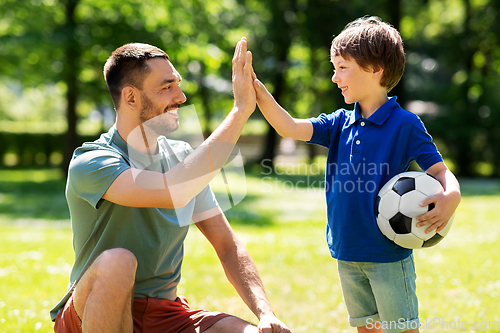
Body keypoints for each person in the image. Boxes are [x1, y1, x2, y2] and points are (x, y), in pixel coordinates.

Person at [50, 38, 292, 333]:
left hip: (164, 314)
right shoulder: (92, 161)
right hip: (91, 312)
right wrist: (240, 110)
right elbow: (170, 189)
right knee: (118, 261)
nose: (180, 96)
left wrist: (265, 313)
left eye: (177, 84)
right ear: (130, 98)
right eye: (166, 87)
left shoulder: (181, 159)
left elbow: (228, 246)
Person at [251, 17, 461, 333]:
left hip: (387, 255)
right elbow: (288, 127)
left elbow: (440, 171)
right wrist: (255, 89)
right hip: (346, 252)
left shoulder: (405, 124)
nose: (334, 77)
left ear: (375, 69)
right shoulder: (338, 122)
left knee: (401, 329)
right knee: (365, 328)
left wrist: (451, 196)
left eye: (342, 67)